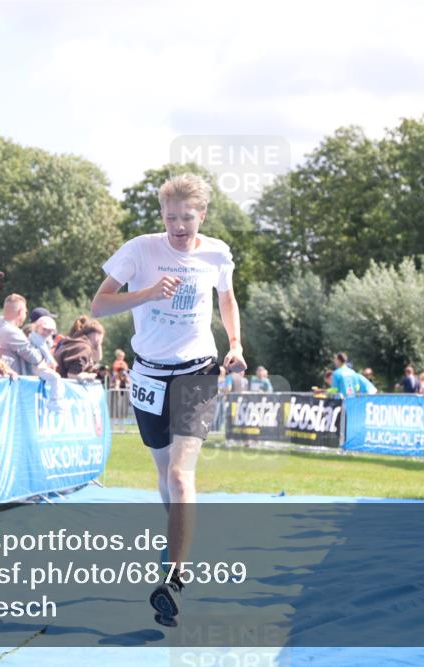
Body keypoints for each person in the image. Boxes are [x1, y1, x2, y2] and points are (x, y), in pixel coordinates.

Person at [90, 173, 245, 627]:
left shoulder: (216, 252)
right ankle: (179, 537)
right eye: (170, 216)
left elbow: (228, 298)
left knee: (180, 475)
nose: (178, 226)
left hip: (197, 370)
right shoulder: (140, 249)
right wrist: (149, 292)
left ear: (203, 215)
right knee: (164, 476)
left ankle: (173, 578)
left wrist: (234, 344)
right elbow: (100, 305)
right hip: (148, 374)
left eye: (187, 217)